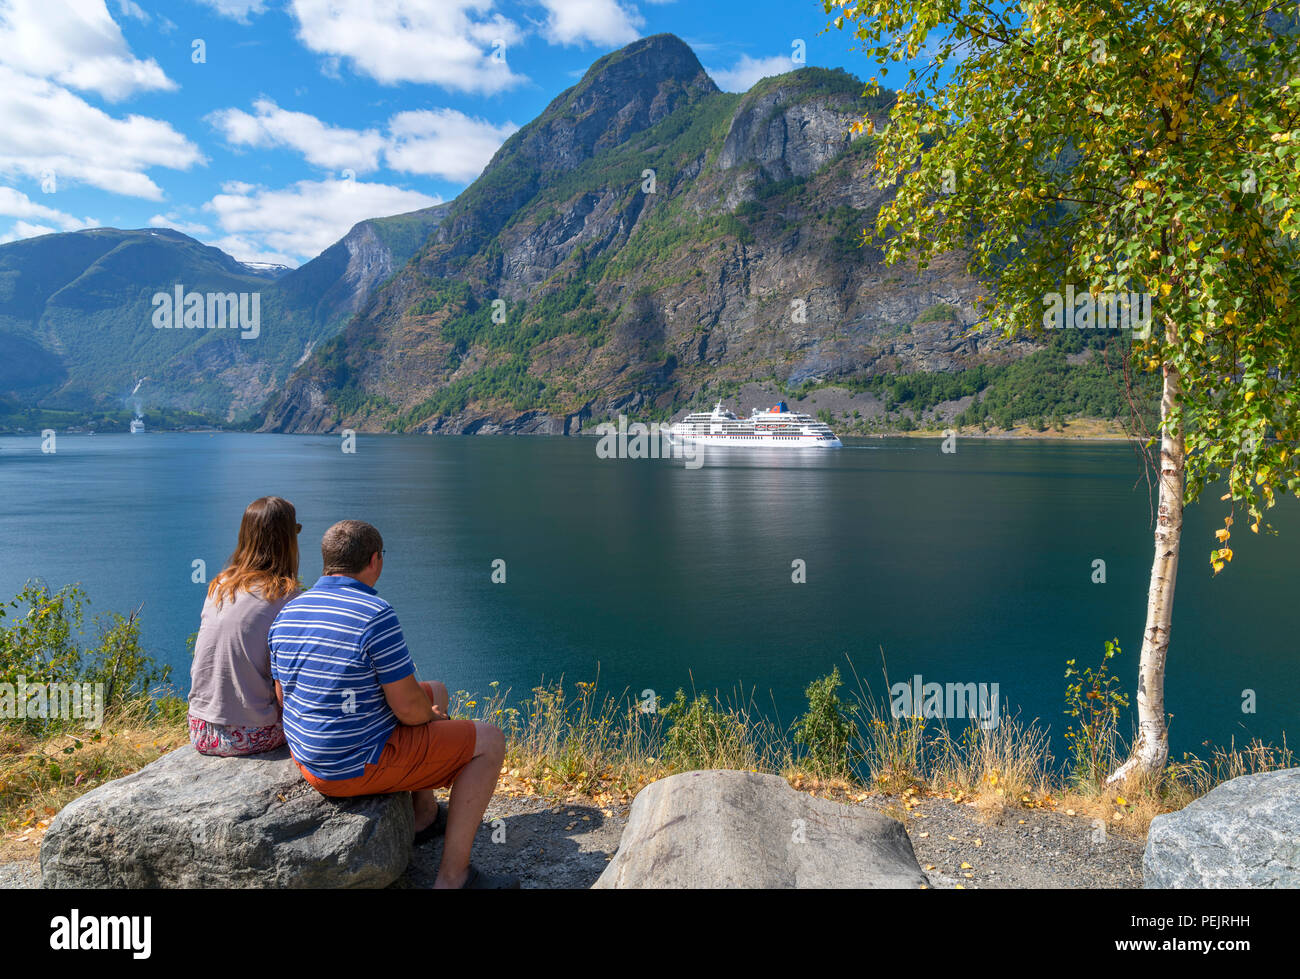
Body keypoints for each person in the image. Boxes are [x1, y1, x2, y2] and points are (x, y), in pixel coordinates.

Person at [269, 520, 516, 889]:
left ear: (326, 563)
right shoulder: (375, 614)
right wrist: (432, 719)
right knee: (490, 741)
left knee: (436, 690)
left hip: (309, 756)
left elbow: (284, 698)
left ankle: (424, 815)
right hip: (352, 766)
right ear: (375, 560)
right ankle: (454, 878)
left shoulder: (289, 612)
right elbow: (407, 710)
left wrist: (425, 708)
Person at [188, 497, 301, 756]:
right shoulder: (287, 597)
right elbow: (287, 686)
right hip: (252, 734)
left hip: (200, 728)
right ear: (287, 541)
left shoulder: (220, 585)